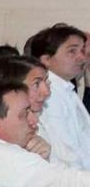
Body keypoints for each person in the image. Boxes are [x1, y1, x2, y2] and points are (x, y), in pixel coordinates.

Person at [25, 23, 90, 169]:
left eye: (82, 50)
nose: (81, 57)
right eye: (72, 51)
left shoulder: (65, 88)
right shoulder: (48, 94)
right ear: (46, 59)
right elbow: (65, 154)